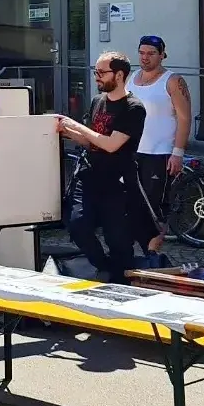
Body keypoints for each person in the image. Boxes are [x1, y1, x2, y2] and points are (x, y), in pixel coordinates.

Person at [58, 51, 148, 286]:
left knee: (118, 239)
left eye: (101, 72)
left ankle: (124, 285)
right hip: (88, 176)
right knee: (77, 224)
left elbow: (111, 144)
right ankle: (104, 267)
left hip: (116, 182)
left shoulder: (133, 108)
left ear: (119, 75)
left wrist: (77, 125)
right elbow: (93, 140)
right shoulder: (98, 101)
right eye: (95, 72)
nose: (96, 77)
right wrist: (68, 132)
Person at [131, 35, 191, 258]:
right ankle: (130, 249)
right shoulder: (131, 78)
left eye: (151, 53)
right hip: (133, 150)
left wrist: (178, 152)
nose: (145, 58)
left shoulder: (172, 80)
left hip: (160, 152)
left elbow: (184, 118)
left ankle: (152, 253)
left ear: (162, 54)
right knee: (130, 201)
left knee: (155, 205)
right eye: (142, 53)